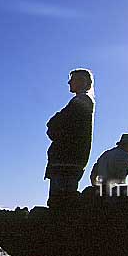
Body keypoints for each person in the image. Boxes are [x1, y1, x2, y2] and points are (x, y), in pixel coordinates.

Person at [44, 68, 95, 208]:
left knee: (60, 203)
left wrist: (53, 124)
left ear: (82, 82)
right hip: (68, 161)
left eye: (72, 80)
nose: (69, 83)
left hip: (66, 161)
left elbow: (55, 125)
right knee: (62, 201)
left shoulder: (80, 101)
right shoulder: (81, 102)